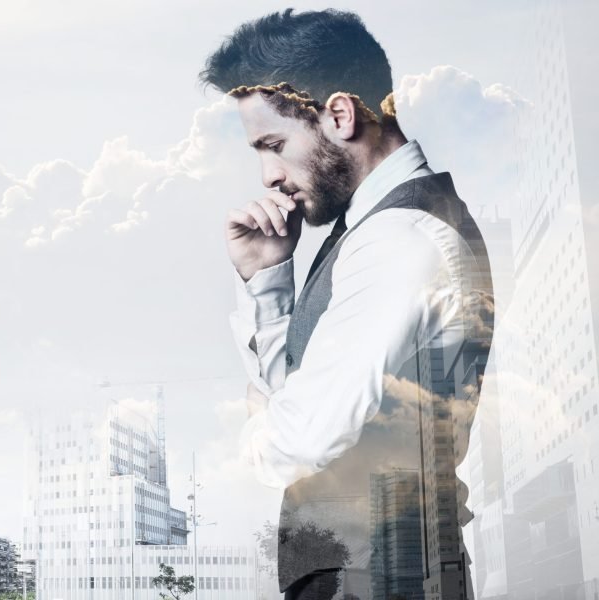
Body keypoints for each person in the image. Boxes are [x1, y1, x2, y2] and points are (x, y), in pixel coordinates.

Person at [199, 9, 494, 600]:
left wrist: (257, 422)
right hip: (366, 574)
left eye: (274, 145)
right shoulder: (368, 235)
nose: (269, 175)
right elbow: (302, 396)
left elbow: (298, 441)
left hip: (382, 577)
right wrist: (267, 278)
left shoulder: (397, 240)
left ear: (339, 114)